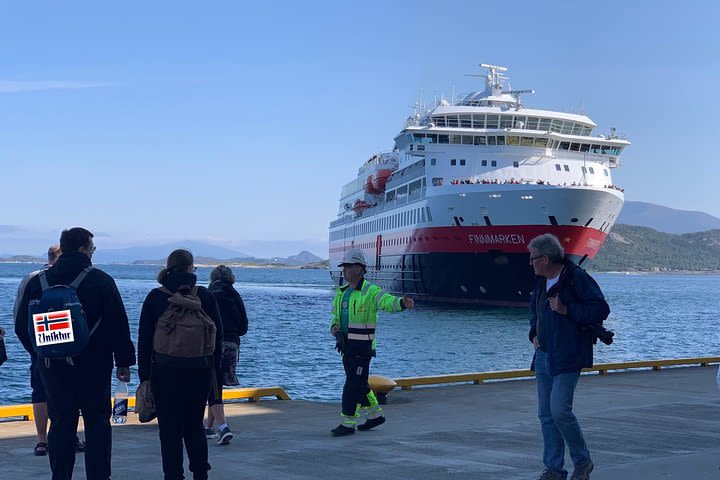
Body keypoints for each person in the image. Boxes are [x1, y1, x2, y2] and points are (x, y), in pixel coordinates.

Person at [14, 227, 136, 480]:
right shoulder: (101, 280)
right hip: (94, 364)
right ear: (83, 249)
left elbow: (21, 326)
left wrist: (40, 354)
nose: (93, 253)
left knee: (60, 423)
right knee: (97, 422)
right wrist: (123, 362)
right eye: (92, 248)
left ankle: (60, 476)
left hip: (52, 366)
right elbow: (118, 324)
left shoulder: (38, 282)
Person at [527, 234, 609, 480]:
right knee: (545, 414)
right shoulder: (541, 282)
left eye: (533, 259)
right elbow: (535, 311)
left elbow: (600, 309)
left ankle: (582, 461)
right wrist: (533, 334)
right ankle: (554, 469)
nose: (530, 263)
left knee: (560, 410)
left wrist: (567, 309)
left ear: (546, 258)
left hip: (568, 354)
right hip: (544, 354)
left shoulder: (576, 278)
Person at [138, 249, 224, 480]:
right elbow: (219, 337)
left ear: (168, 268)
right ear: (190, 268)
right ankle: (200, 475)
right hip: (199, 370)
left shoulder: (156, 297)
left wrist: (144, 378)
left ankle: (173, 476)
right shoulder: (204, 296)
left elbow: (144, 341)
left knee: (169, 430)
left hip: (165, 371)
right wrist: (215, 372)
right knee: (194, 426)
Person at [329, 249, 414, 437]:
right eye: (343, 267)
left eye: (348, 267)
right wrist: (334, 327)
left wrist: (401, 303)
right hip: (346, 347)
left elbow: (386, 301)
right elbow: (335, 315)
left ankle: (347, 423)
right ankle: (375, 416)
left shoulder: (370, 291)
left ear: (359, 269)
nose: (344, 271)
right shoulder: (341, 293)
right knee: (359, 384)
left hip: (362, 348)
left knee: (351, 385)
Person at [13, 246, 86, 457]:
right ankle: (69, 436)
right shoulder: (76, 279)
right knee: (70, 393)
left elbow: (19, 316)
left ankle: (42, 441)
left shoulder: (32, 279)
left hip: (41, 347)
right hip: (70, 349)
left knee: (40, 391)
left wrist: (33, 350)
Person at [204, 265, 248, 445]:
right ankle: (209, 427)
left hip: (212, 343)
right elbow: (244, 327)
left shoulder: (209, 294)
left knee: (212, 384)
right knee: (217, 384)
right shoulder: (235, 295)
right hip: (231, 344)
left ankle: (223, 427)